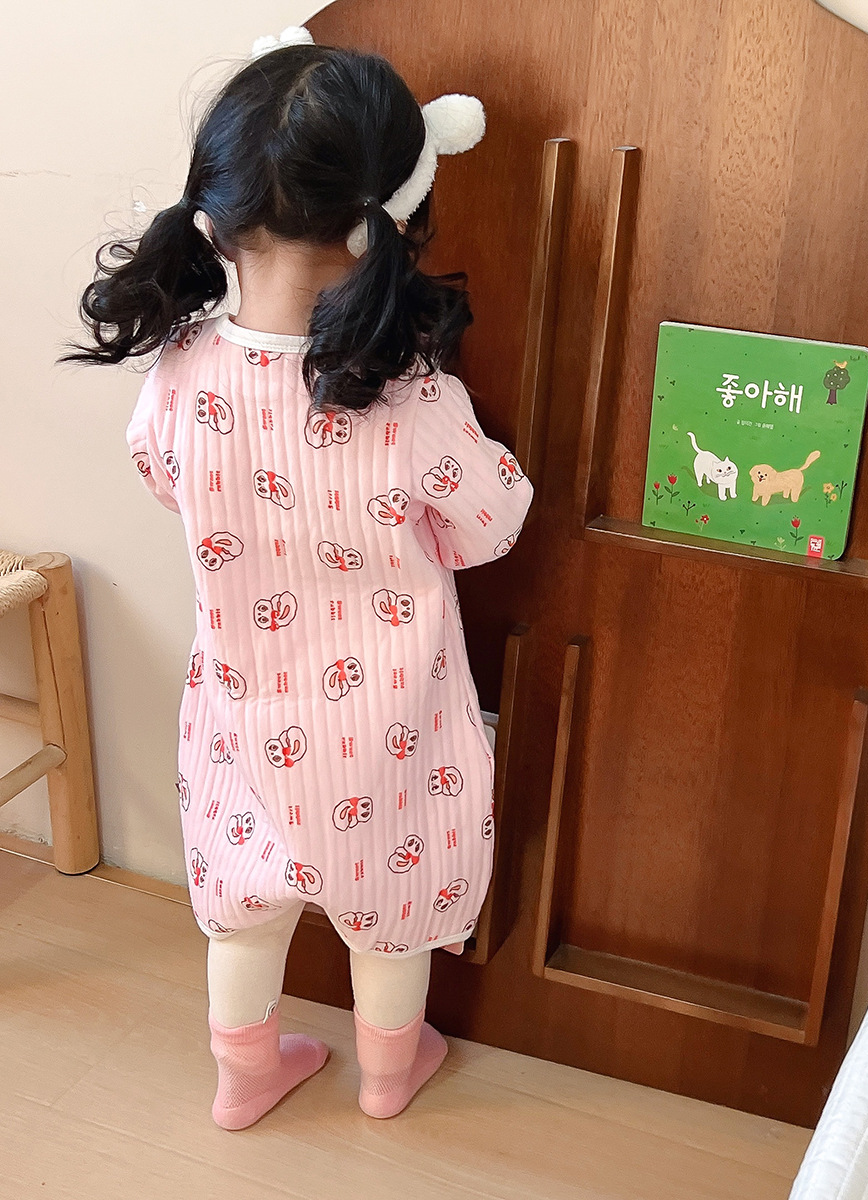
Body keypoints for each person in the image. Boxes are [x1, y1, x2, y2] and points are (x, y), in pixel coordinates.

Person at [65, 26, 532, 1130]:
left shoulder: (182, 372)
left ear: (215, 215)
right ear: (390, 226)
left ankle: (244, 1077)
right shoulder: (411, 398)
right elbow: (493, 522)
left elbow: (162, 477)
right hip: (390, 725)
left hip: (243, 706)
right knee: (392, 907)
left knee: (243, 901)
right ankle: (387, 1076)